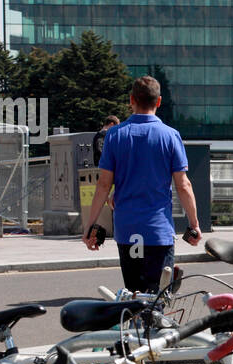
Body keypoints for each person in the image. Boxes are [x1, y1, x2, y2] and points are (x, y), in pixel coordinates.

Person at [83, 76, 201, 293]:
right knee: (157, 298)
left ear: (131, 100)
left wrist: (89, 225)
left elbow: (103, 185)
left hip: (127, 230)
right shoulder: (171, 136)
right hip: (158, 231)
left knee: (134, 295)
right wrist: (194, 224)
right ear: (158, 102)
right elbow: (183, 185)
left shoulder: (115, 135)